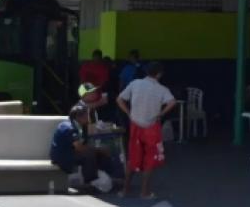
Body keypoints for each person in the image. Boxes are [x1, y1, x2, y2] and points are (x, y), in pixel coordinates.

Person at [116, 61, 176, 199]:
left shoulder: (135, 84)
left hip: (135, 125)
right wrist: (161, 114)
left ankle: (124, 191)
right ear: (159, 74)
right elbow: (172, 102)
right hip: (152, 127)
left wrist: (128, 113)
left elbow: (119, 99)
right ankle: (144, 192)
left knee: (132, 158)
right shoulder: (162, 89)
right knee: (150, 159)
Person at [49, 100, 123, 193]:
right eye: (86, 115)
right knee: (89, 155)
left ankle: (108, 178)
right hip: (62, 157)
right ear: (79, 117)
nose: (88, 118)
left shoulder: (77, 126)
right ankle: (89, 183)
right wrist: (98, 150)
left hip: (69, 153)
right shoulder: (69, 128)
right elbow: (79, 147)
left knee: (98, 154)